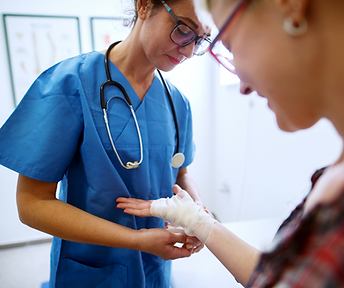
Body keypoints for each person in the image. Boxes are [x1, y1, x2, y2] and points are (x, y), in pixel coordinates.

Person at [116, 0, 344, 287]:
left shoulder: (177, 104)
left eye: (231, 45)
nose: (242, 85)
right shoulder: (330, 178)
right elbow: (273, 278)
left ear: (290, 5)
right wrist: (200, 223)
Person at [0, 0, 213, 287]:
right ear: (144, 5)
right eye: (183, 29)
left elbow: (181, 174)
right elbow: (32, 203)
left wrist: (197, 211)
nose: (188, 50)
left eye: (200, 40)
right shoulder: (72, 83)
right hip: (93, 268)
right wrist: (136, 240)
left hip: (155, 267)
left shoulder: (177, 104)